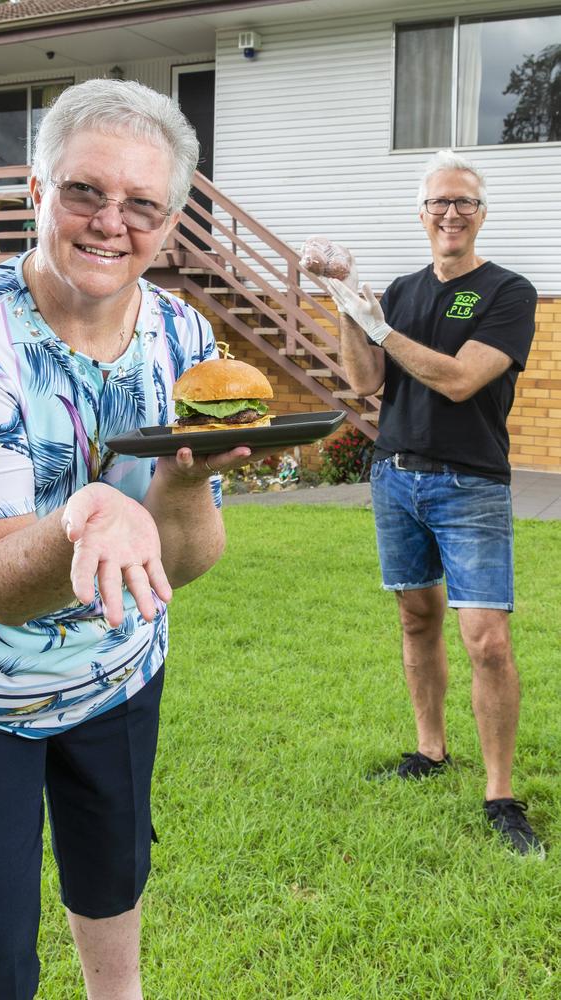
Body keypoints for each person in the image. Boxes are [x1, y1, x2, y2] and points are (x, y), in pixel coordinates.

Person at [0, 78, 264, 1000]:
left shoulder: (185, 336)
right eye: (84, 192)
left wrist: (179, 484)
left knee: (113, 880)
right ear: (37, 191)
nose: (112, 222)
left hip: (120, 672)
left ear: (171, 220)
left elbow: (182, 562)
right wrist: (85, 513)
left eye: (142, 204)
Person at [326, 149, 542, 857]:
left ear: (481, 215)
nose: (451, 213)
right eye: (438, 202)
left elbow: (457, 380)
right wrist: (346, 310)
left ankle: (502, 793)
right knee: (416, 619)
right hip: (396, 477)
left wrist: (382, 327)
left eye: (465, 203)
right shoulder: (402, 288)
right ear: (421, 214)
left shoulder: (508, 292)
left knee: (487, 638)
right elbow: (366, 384)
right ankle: (430, 750)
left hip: (470, 483)